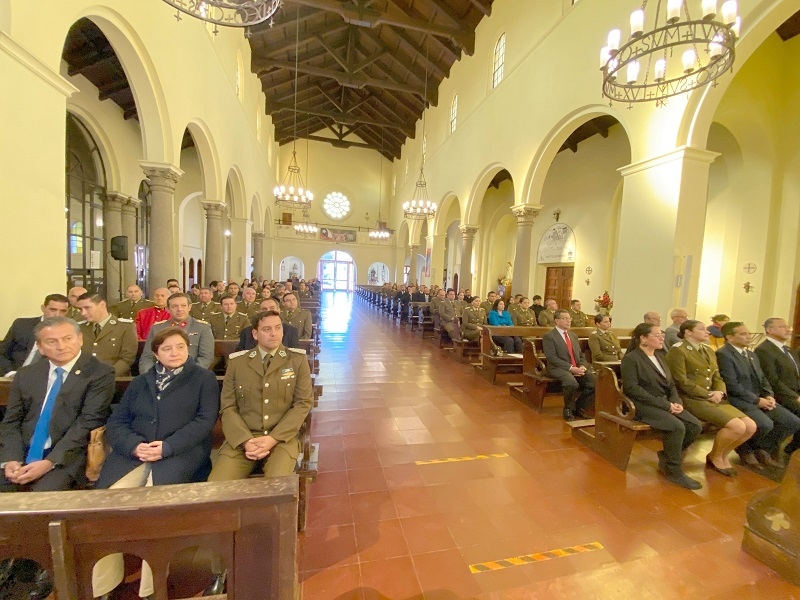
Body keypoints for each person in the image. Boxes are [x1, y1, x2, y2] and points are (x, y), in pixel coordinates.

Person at [91, 328, 220, 600]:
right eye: (167, 349)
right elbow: (118, 421)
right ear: (155, 353)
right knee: (105, 505)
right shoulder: (142, 381)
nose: (175, 353)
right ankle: (104, 584)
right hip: (134, 454)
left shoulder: (202, 379)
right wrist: (133, 445)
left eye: (180, 347)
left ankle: (152, 586)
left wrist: (167, 447)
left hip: (181, 453)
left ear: (189, 349)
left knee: (154, 506)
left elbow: (204, 421)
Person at [0, 317, 114, 599]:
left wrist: (48, 463)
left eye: (67, 338)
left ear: (80, 339)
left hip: (67, 454)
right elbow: (11, 422)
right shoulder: (28, 375)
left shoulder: (98, 372)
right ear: (41, 346)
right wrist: (11, 460)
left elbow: (87, 424)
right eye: (51, 341)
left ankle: (39, 568)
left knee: (41, 497)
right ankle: (9, 558)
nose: (61, 346)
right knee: (5, 488)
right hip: (25, 452)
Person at [208, 310, 313, 481]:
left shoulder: (296, 360)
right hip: (243, 438)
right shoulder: (238, 362)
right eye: (267, 329)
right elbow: (228, 406)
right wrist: (245, 441)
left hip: (281, 438)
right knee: (216, 487)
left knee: (277, 487)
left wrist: (273, 438)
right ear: (255, 334)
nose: (274, 333)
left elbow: (303, 403)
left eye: (278, 328)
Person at [665, 320, 757, 476]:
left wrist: (719, 392)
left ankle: (721, 454)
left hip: (713, 397)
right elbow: (681, 381)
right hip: (691, 398)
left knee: (750, 426)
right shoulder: (679, 351)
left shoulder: (708, 350)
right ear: (688, 332)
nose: (707, 331)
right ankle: (716, 458)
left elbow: (717, 376)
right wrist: (707, 394)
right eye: (701, 329)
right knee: (737, 427)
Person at [621, 323, 703, 489]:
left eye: (662, 335)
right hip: (642, 404)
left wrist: (676, 402)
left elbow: (671, 385)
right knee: (677, 427)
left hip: (665, 402)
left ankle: (667, 457)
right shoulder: (631, 359)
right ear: (643, 338)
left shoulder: (660, 356)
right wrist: (666, 405)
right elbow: (632, 389)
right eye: (657, 335)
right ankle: (673, 470)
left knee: (695, 425)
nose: (662, 338)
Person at [717, 321, 800, 468]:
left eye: (748, 333)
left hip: (759, 398)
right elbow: (732, 384)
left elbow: (762, 378)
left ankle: (762, 449)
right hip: (739, 399)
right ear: (729, 337)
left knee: (791, 421)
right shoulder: (724, 354)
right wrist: (757, 400)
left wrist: (768, 395)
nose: (748, 337)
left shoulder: (750, 354)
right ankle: (745, 450)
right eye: (743, 334)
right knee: (764, 424)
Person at [754, 317, 800, 456]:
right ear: (769, 330)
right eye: (782, 326)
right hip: (777, 394)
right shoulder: (764, 350)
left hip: (793, 392)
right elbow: (772, 380)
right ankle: (764, 448)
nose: (788, 329)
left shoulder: (787, 349)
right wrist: (795, 397)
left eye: (788, 326)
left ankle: (792, 448)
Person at [139, 293, 214, 372]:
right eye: (175, 306)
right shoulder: (157, 328)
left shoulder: (202, 328)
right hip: (161, 375)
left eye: (183, 305)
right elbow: (147, 358)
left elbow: (206, 358)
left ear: (189, 307)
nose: (179, 309)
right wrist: (150, 377)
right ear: (167, 309)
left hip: (191, 375)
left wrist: (189, 375)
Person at [542, 309, 595, 421]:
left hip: (576, 366)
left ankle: (579, 407)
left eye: (569, 318)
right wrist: (571, 368)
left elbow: (580, 354)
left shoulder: (573, 335)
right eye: (565, 318)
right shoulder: (549, 336)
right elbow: (552, 358)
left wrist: (582, 365)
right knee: (571, 382)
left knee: (594, 382)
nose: (568, 321)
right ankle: (568, 409)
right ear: (557, 321)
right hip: (558, 367)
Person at [0, 293, 69, 376]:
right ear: (43, 308)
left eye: (62, 311)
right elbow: (2, 353)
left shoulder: (68, 333)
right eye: (53, 310)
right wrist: (10, 373)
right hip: (13, 374)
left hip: (43, 379)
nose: (57, 315)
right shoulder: (22, 325)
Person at [77, 292, 138, 376]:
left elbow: (127, 359)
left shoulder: (125, 327)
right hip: (83, 378)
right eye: (80, 309)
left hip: (114, 378)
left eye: (87, 308)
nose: (83, 313)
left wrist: (107, 376)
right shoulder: (79, 327)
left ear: (102, 305)